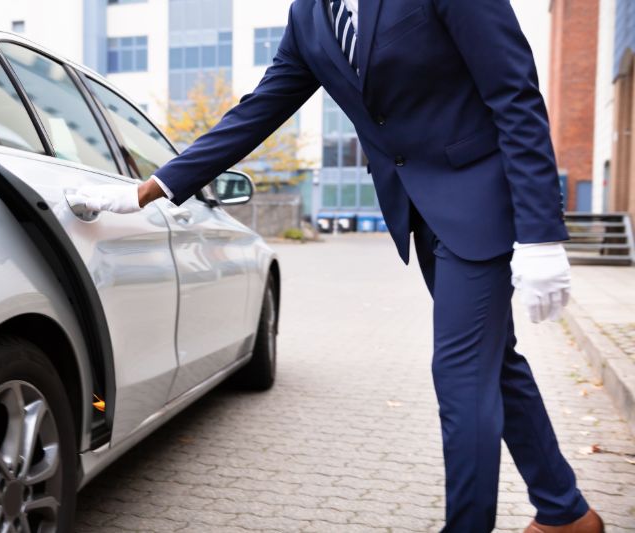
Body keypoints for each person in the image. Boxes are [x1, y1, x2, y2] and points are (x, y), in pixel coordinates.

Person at [75, 0, 604, 531]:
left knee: (461, 372)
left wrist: (540, 234)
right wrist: (148, 191)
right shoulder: (310, 15)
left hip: (483, 197)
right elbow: (257, 111)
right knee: (496, 363)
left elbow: (515, 95)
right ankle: (565, 511)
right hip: (423, 213)